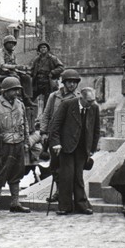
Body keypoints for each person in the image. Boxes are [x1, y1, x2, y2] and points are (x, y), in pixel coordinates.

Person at [0, 76, 31, 215]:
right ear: (4, 91)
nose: (16, 92)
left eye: (17, 90)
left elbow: (25, 124)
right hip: (2, 143)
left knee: (17, 173)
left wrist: (27, 142)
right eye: (13, 90)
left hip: (18, 142)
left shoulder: (20, 104)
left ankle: (15, 203)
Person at [49, 87, 100, 215]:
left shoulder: (94, 107)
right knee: (67, 176)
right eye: (89, 101)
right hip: (67, 146)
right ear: (81, 98)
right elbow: (55, 125)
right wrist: (56, 143)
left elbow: (96, 129)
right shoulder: (67, 105)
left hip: (83, 147)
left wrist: (92, 148)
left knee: (78, 176)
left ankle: (81, 205)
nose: (91, 103)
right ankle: (64, 207)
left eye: (93, 100)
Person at [40, 68, 81, 203]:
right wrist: (44, 132)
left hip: (69, 136)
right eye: (69, 82)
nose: (71, 85)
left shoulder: (78, 98)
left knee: (69, 167)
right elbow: (46, 115)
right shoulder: (54, 96)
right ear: (64, 82)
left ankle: (68, 193)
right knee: (55, 166)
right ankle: (58, 191)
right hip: (54, 134)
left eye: (74, 82)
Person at [0, 35, 30, 99]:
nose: (11, 45)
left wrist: (20, 69)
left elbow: (15, 64)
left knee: (26, 77)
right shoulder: (0, 52)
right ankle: (19, 96)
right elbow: (1, 65)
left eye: (13, 43)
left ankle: (28, 97)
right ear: (5, 44)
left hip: (10, 71)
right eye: (9, 43)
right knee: (15, 78)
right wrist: (15, 67)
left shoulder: (13, 53)